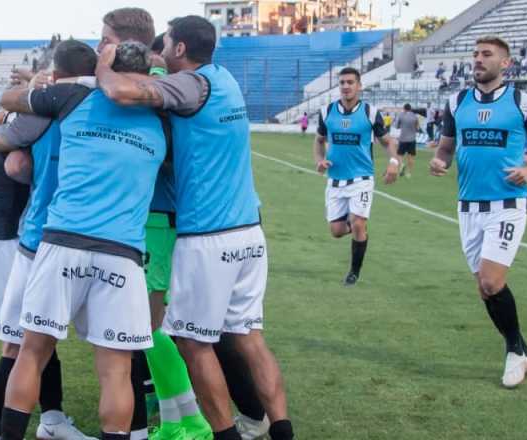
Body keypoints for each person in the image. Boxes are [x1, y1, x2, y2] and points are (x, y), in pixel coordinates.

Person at [96, 16, 295, 440]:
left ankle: (224, 434)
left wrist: (105, 64)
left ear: (181, 49)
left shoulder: (192, 85)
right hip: (249, 230)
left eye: (166, 43)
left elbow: (119, 91)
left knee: (192, 342)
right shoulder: (224, 79)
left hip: (209, 233)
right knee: (249, 338)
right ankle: (281, 430)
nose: (162, 49)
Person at [0, 40, 166, 440]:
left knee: (32, 353)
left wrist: (83, 76)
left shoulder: (73, 96)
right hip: (122, 253)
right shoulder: (161, 120)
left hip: (62, 243)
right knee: (116, 370)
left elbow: (8, 99)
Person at [0, 39, 99, 440]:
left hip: (34, 234)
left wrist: (16, 102)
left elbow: (5, 153)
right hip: (32, 236)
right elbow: (9, 158)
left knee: (28, 341)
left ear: (54, 76)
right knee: (30, 340)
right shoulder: (105, 102)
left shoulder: (45, 105)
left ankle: (37, 422)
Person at [430, 36, 527, 388]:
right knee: (485, 290)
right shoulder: (456, 103)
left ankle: (514, 352)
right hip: (468, 206)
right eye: (475, 54)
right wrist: (439, 162)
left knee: (491, 280)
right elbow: (445, 148)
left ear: (505, 63)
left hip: (508, 204)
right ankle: (523, 349)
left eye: (487, 55)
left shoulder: (522, 102)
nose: (478, 60)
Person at [314, 67, 400, 286]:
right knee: (336, 231)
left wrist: (393, 162)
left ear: (359, 86)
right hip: (335, 179)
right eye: (342, 82)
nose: (345, 86)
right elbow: (319, 140)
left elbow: (387, 141)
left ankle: (354, 272)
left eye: (350, 82)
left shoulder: (370, 112)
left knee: (358, 223)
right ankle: (355, 222)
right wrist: (320, 160)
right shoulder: (327, 112)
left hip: (361, 178)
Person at [395, 103, 420, 178]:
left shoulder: (401, 115)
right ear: (410, 108)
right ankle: (409, 173)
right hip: (412, 139)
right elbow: (417, 128)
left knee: (399, 155)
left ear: (404, 108)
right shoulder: (415, 116)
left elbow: (397, 126)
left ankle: (401, 165)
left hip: (403, 138)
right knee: (411, 157)